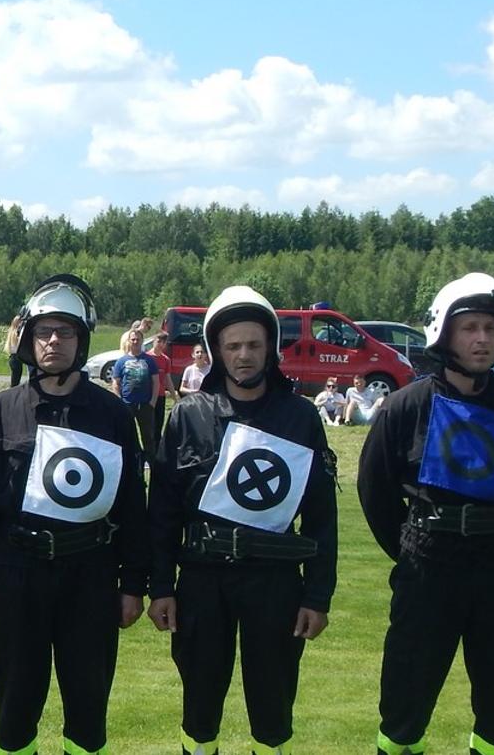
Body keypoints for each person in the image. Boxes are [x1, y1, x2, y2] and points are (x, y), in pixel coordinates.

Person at [146, 285, 336, 755]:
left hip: (275, 580)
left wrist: (317, 596)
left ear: (271, 347)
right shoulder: (188, 415)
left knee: (273, 707)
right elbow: (163, 511)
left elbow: (320, 516)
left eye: (253, 344)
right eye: (233, 346)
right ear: (217, 351)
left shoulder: (300, 417)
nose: (244, 355)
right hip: (202, 580)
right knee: (199, 706)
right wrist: (161, 587)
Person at [359, 273, 494, 755]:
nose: (482, 339)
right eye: (470, 327)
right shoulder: (405, 407)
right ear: (444, 333)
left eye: (491, 328)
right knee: (406, 700)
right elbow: (374, 489)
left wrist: (491, 535)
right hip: (426, 568)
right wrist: (410, 546)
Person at [0, 275, 148, 755]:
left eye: (65, 332)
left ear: (81, 340)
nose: (53, 341)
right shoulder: (2, 411)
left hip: (90, 573)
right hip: (16, 572)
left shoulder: (113, 414)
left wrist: (133, 584)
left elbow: (134, 505)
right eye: (44, 331)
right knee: (15, 710)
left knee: (87, 711)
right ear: (28, 339)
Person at [110, 329, 160, 454]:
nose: (135, 341)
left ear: (142, 341)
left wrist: (153, 402)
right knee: (126, 434)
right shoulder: (121, 361)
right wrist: (119, 401)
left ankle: (151, 461)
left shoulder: (149, 360)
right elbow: (116, 383)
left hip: (145, 404)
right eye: (133, 339)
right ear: (129, 341)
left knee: (148, 436)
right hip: (127, 404)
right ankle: (130, 458)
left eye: (138, 339)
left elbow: (156, 382)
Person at [4, 314, 25, 388]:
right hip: (16, 358)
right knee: (16, 380)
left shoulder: (11, 331)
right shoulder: (16, 332)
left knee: (15, 379)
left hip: (12, 357)